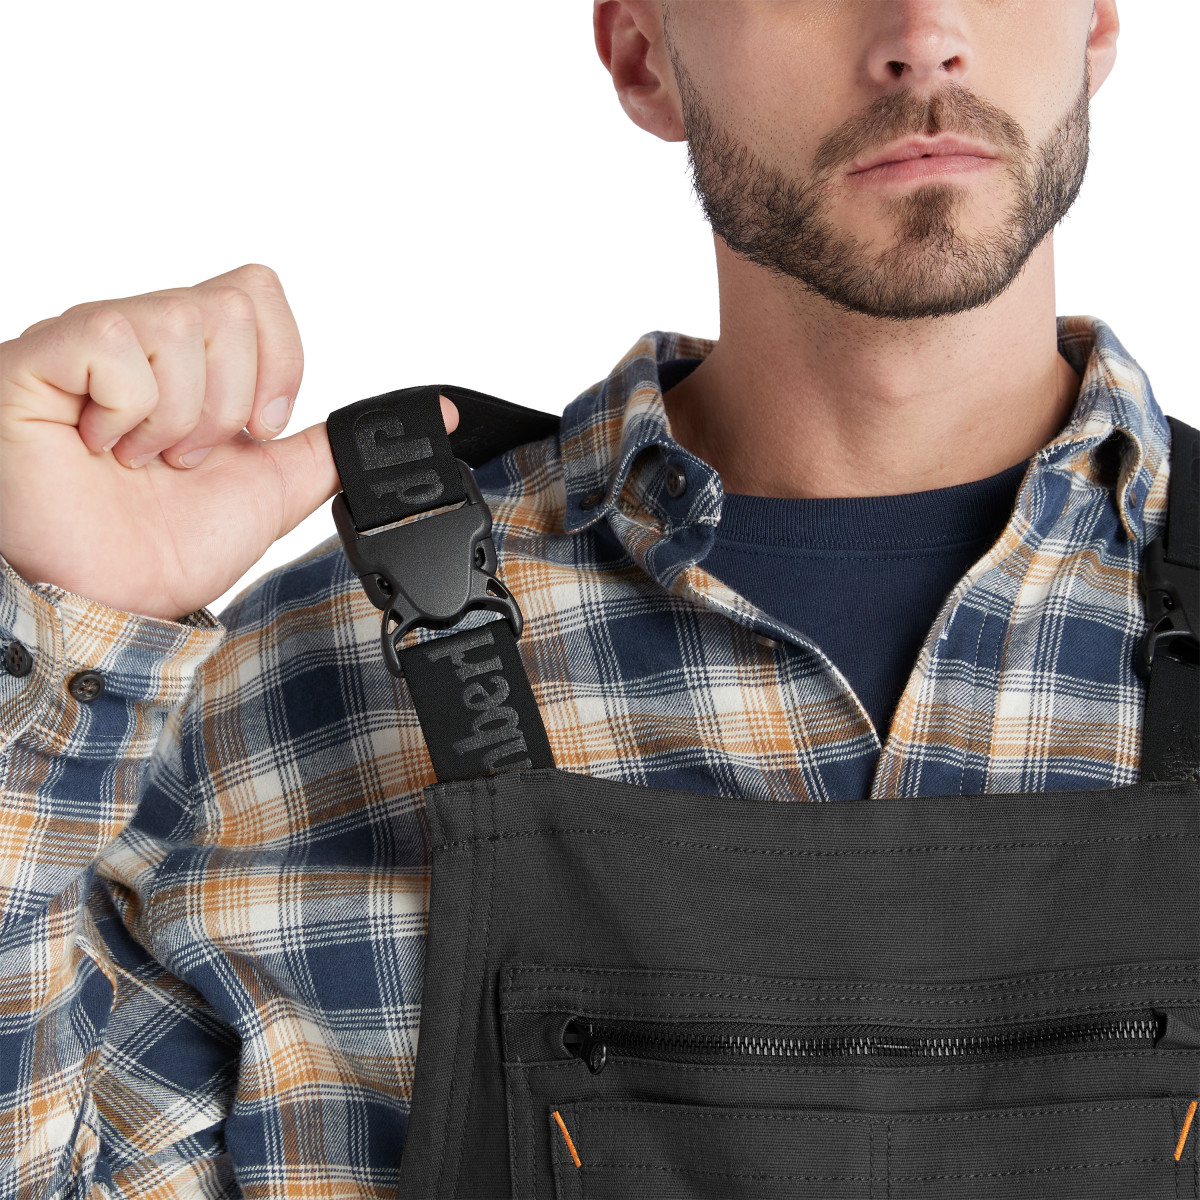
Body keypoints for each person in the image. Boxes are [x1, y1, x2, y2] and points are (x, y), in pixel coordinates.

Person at [0, 0, 1184, 1195]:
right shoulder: (283, 703)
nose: (922, 32)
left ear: (1095, 21)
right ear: (643, 55)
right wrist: (67, 620)